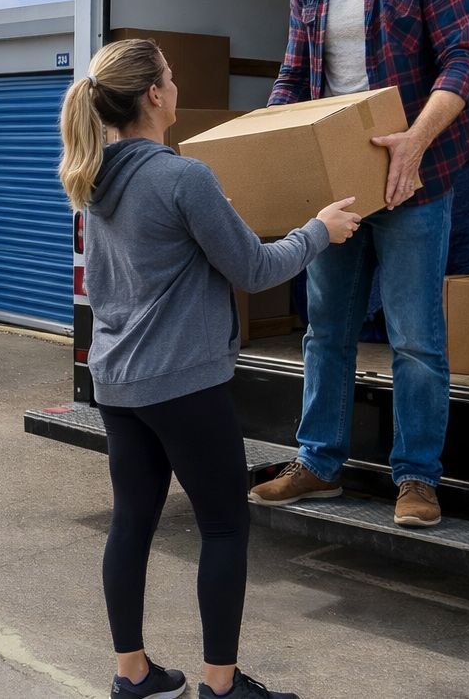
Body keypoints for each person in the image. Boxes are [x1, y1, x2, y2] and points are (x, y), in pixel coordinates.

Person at [59, 38, 360, 699]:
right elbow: (254, 268)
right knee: (224, 525)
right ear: (154, 97)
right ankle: (221, 688)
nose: (174, 85)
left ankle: (132, 674)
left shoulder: (92, 176)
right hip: (183, 385)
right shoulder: (182, 176)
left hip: (118, 383)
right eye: (169, 76)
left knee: (131, 521)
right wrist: (318, 230)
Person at [250, 0, 469, 528]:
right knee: (326, 329)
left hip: (418, 173)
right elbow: (295, 81)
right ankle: (318, 465)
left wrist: (415, 139)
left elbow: (466, 62)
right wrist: (268, 149)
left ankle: (416, 479)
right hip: (339, 184)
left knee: (416, 336)